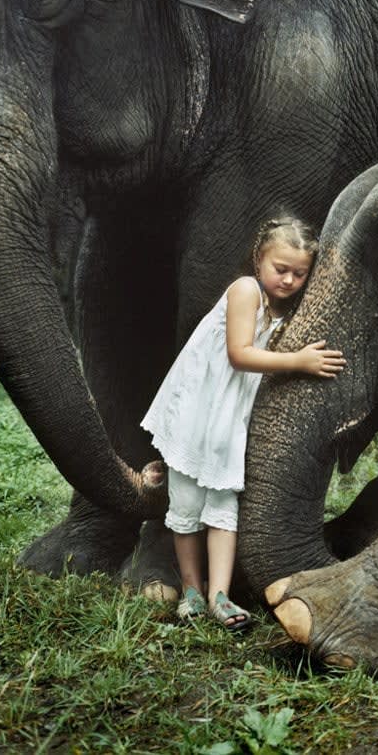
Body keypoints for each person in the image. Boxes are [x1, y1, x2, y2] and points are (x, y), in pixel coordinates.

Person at [141, 216, 345, 630]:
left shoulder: (281, 310)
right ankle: (192, 591)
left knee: (222, 506)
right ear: (259, 261)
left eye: (299, 273)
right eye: (280, 269)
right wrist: (299, 362)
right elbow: (239, 354)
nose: (288, 280)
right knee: (185, 505)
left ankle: (221, 596)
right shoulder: (245, 290)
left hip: (228, 421)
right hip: (198, 413)